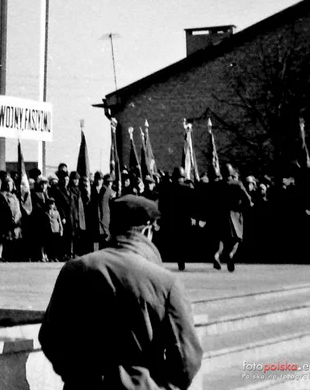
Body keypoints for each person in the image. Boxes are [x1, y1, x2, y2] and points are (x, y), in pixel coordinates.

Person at [39, 196, 203, 389]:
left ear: (112, 227)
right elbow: (187, 357)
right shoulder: (166, 282)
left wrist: (75, 374)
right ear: (148, 230)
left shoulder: (74, 269)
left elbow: (50, 336)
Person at [212, 163, 253, 272]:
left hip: (220, 214)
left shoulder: (217, 185)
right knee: (237, 238)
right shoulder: (237, 184)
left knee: (221, 238)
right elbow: (247, 198)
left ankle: (216, 255)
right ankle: (230, 254)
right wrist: (248, 204)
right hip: (234, 214)